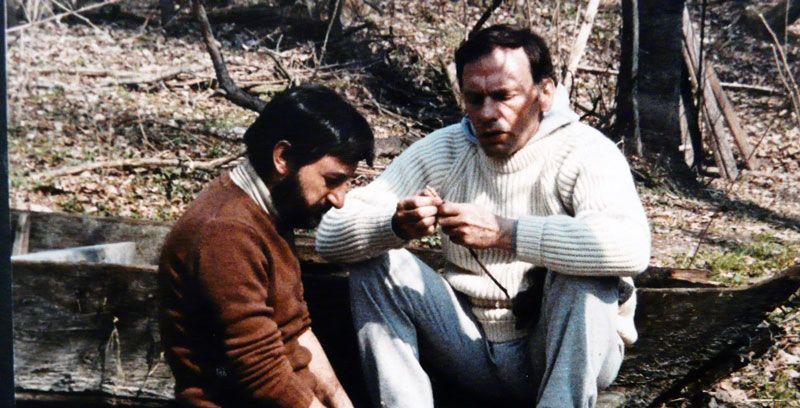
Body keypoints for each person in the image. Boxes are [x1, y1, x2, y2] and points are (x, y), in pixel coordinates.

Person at [315, 25, 651, 408]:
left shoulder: (586, 151)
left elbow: (630, 247)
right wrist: (395, 225)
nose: (488, 113)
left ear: (544, 92)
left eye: (504, 96)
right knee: (376, 265)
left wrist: (506, 233)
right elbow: (330, 234)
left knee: (585, 275)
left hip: (559, 353)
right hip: (468, 344)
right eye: (474, 99)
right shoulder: (447, 149)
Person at [158, 85, 374, 408]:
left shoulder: (274, 208)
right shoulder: (225, 232)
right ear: (283, 157)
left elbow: (296, 330)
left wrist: (340, 402)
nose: (339, 199)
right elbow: (260, 371)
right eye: (331, 180)